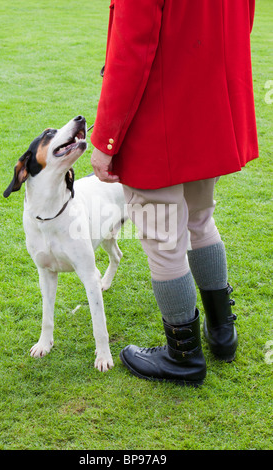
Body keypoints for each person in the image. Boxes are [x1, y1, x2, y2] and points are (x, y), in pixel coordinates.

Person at [90, 0, 258, 386]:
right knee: (200, 219)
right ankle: (222, 334)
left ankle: (183, 357)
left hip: (159, 113)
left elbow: (132, 46)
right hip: (208, 106)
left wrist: (106, 139)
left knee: (162, 236)